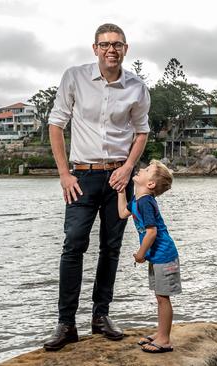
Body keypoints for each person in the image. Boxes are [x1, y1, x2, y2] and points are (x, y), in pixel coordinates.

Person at [43, 23, 150, 352]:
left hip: (119, 179)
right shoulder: (74, 77)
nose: (111, 50)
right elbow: (56, 124)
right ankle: (66, 324)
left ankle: (100, 317)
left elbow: (142, 131)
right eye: (104, 45)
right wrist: (64, 173)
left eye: (117, 44)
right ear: (95, 48)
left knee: (111, 247)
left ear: (125, 49)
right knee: (73, 245)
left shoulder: (137, 87)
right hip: (82, 178)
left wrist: (129, 168)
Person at [117, 160, 181, 354]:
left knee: (163, 297)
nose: (140, 169)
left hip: (164, 256)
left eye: (146, 170)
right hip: (157, 256)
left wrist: (140, 254)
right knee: (159, 296)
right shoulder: (137, 201)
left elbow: (151, 232)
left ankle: (164, 340)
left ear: (151, 184)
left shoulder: (145, 202)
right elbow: (122, 213)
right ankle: (161, 332)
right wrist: (121, 190)